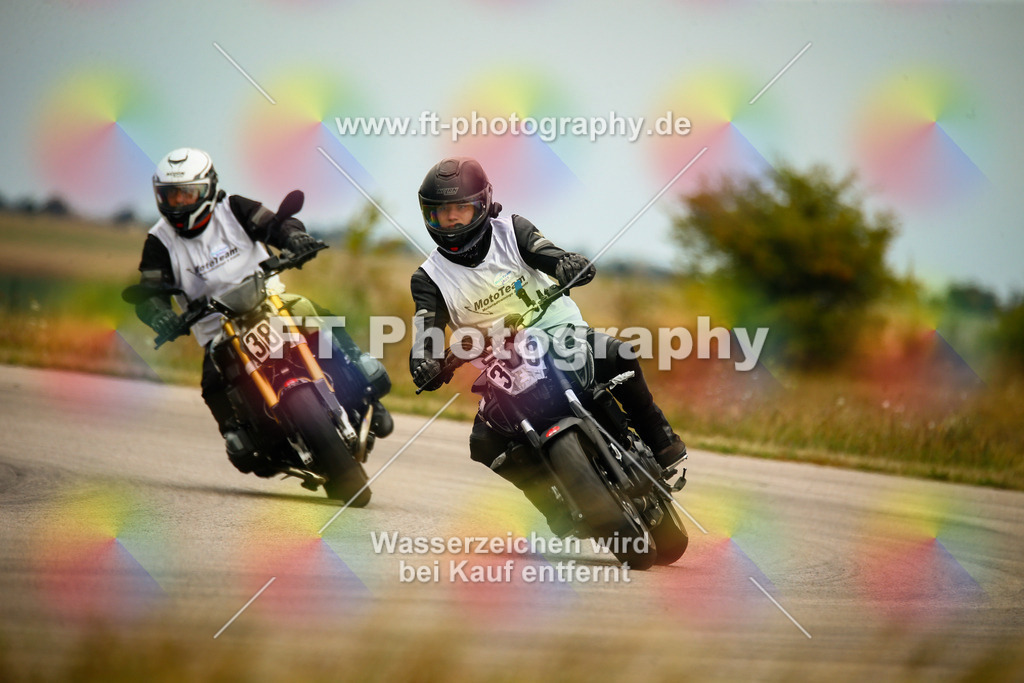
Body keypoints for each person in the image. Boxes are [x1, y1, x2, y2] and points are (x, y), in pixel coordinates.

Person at [409, 156, 685, 533]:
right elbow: (426, 330)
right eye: (442, 213)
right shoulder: (428, 278)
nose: (453, 220)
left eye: (461, 209)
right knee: (484, 442)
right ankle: (551, 503)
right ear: (429, 217)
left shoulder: (512, 230)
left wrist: (567, 264)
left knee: (617, 353)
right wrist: (425, 361)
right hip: (502, 367)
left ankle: (659, 438)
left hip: (558, 333)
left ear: (483, 205)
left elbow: (548, 254)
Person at [132, 147, 393, 476]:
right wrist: (159, 315)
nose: (180, 203)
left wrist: (294, 237)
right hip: (218, 330)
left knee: (313, 312)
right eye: (171, 196)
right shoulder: (159, 241)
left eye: (188, 194)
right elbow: (149, 292)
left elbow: (275, 224)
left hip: (270, 303)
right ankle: (241, 438)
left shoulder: (235, 209)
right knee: (213, 382)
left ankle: (362, 379)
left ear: (209, 188)